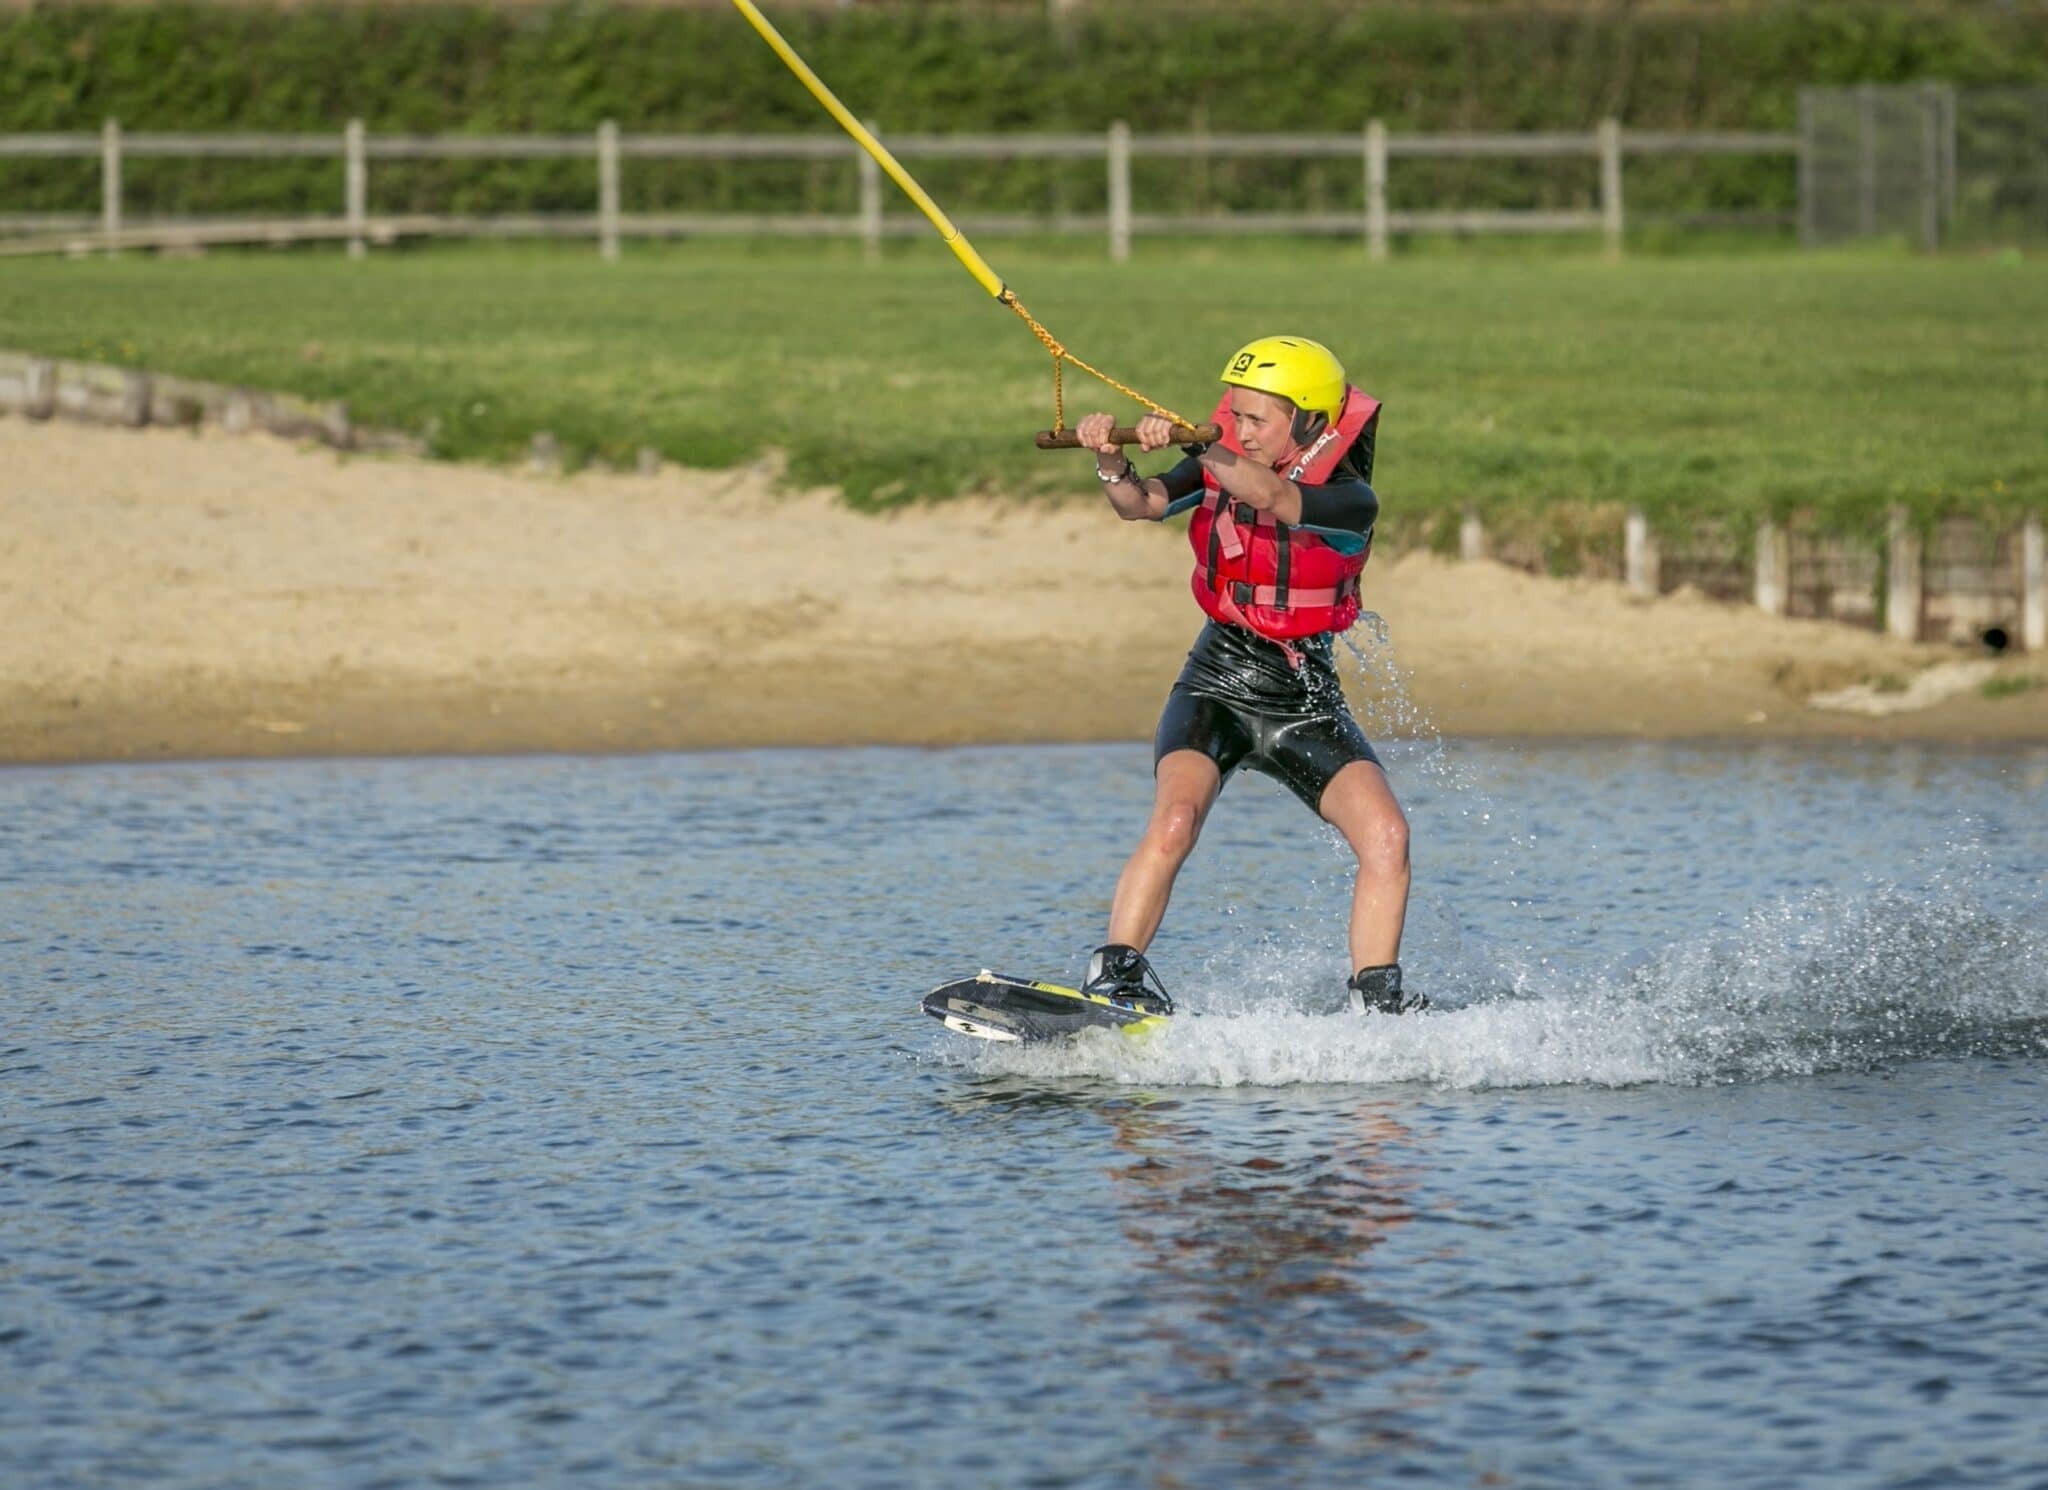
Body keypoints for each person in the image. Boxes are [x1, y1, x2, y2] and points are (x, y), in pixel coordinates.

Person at [1073, 335, 1422, 1016]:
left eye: (1259, 419)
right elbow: (1140, 503)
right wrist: (1110, 458)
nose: (1241, 429)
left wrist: (1200, 445)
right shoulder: (1219, 463)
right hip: (1217, 680)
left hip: (1304, 697)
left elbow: (1272, 496)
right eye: (1236, 413)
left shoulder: (1352, 500)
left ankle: (1375, 1005)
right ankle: (1116, 978)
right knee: (1176, 817)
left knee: (1388, 838)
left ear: (1311, 424)